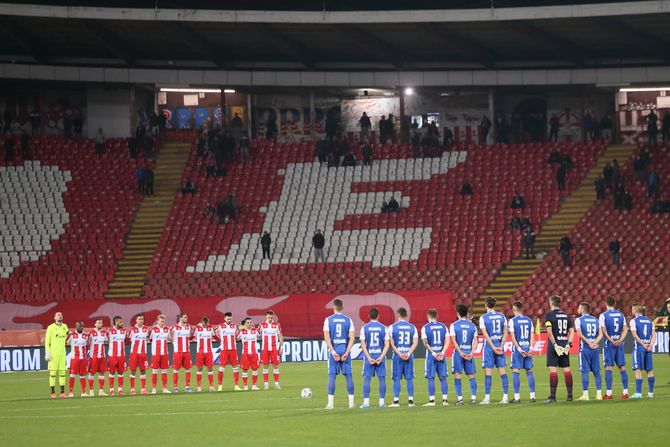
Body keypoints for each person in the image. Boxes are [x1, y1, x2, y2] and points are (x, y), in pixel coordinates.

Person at [323, 299, 356, 410]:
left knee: (332, 376)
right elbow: (352, 338)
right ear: (342, 308)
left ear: (334, 307)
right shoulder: (348, 320)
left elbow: (327, 337)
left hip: (334, 351)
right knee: (349, 376)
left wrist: (333, 351)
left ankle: (330, 404)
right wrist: (347, 352)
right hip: (344, 349)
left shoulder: (328, 320)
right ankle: (351, 403)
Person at [544, 295, 575, 402]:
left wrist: (554, 345)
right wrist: (568, 344)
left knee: (553, 370)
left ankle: (553, 396)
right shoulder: (566, 316)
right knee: (566, 370)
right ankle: (570, 396)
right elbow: (572, 331)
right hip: (564, 345)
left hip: (555, 346)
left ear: (551, 303)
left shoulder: (549, 316)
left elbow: (549, 332)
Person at [479, 297, 509, 405]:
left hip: (489, 348)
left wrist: (493, 347)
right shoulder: (502, 316)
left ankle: (487, 398)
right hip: (499, 346)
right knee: (502, 371)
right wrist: (501, 346)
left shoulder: (483, 318)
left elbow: (485, 334)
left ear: (486, 305)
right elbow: (505, 332)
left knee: (488, 372)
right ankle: (505, 397)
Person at [598, 296, 629, 399]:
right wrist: (620, 340)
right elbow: (625, 329)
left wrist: (611, 340)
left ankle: (609, 393)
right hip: (619, 345)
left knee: (608, 367)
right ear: (614, 304)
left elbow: (603, 330)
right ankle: (625, 392)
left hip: (609, 344)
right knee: (622, 367)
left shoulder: (603, 315)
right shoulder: (621, 315)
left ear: (606, 304)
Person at [359, 307, 390, 408]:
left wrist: (368, 357)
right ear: (378, 315)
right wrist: (381, 357)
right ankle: (381, 402)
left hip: (370, 357)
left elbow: (363, 345)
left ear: (369, 316)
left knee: (367, 379)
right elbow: (387, 344)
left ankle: (366, 403)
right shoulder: (383, 328)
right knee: (382, 379)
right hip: (380, 357)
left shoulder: (365, 328)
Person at [388, 307, 419, 408]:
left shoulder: (392, 327)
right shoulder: (412, 327)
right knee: (409, 379)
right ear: (406, 315)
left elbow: (391, 343)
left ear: (397, 314)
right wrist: (408, 353)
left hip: (397, 356)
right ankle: (411, 401)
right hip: (409, 356)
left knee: (396, 379)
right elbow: (415, 342)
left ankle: (396, 401)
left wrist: (399, 353)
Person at [450, 304, 479, 405]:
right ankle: (473, 398)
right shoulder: (472, 326)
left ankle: (460, 399)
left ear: (457, 313)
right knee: (471, 376)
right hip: (469, 353)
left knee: (458, 376)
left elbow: (454, 341)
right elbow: (476, 341)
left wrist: (461, 352)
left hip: (458, 354)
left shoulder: (454, 325)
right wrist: (471, 352)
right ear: (466, 314)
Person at [508, 301, 536, 403]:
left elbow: (513, 337)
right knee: (529, 372)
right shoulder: (529, 320)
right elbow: (532, 336)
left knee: (516, 372)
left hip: (518, 350)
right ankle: (532, 396)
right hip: (527, 348)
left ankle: (517, 397)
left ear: (514, 309)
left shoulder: (512, 321)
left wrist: (519, 349)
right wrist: (531, 349)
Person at [421, 308, 449, 406]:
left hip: (431, 356)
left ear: (428, 316)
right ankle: (445, 400)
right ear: (437, 316)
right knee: (443, 377)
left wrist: (433, 353)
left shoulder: (425, 327)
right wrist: (442, 352)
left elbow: (425, 343)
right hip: (441, 356)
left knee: (430, 378)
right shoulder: (443, 327)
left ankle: (432, 400)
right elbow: (447, 341)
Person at [575, 302, 603, 401]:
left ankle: (585, 395)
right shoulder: (596, 320)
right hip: (595, 349)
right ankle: (599, 394)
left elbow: (580, 334)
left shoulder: (579, 320)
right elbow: (601, 334)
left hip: (585, 349)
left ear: (582, 309)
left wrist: (589, 343)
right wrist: (594, 342)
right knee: (596, 372)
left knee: (585, 372)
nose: (577, 309)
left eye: (579, 307)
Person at [629, 304, 656, 398]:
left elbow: (635, 335)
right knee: (649, 370)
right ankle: (651, 393)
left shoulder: (633, 321)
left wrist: (643, 345)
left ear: (636, 311)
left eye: (633, 309)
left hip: (639, 348)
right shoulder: (650, 321)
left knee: (638, 370)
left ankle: (638, 393)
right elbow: (654, 335)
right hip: (648, 348)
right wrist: (650, 345)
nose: (631, 311)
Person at [215, 312, 242, 391]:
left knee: (235, 367)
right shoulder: (220, 326)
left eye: (230, 319)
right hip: (224, 350)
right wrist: (220, 339)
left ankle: (236, 386)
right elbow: (214, 333)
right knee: (222, 367)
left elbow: (238, 335)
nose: (229, 320)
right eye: (227, 318)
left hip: (233, 349)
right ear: (224, 318)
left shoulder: (234, 326)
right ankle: (220, 386)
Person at [45, 312, 69, 398]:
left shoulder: (65, 326)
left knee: (62, 373)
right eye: (58, 315)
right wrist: (47, 352)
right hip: (53, 354)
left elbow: (67, 335)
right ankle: (52, 392)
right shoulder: (50, 327)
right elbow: (47, 341)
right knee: (53, 373)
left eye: (61, 315)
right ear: (54, 317)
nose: (60, 316)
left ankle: (62, 392)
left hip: (62, 354)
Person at [259, 310, 283, 390]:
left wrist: (281, 347)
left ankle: (276, 384)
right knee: (265, 365)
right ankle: (266, 384)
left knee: (275, 365)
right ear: (266, 317)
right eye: (268, 317)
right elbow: (257, 333)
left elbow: (280, 336)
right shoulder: (262, 325)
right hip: (265, 349)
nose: (270, 319)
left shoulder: (277, 325)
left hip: (274, 348)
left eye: (271, 317)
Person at [128, 313, 150, 395]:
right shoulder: (132, 330)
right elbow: (128, 339)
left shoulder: (146, 329)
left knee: (143, 370)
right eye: (139, 319)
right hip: (134, 353)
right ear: (136, 320)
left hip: (143, 353)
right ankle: (132, 389)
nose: (141, 321)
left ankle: (143, 389)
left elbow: (147, 338)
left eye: (142, 319)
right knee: (133, 370)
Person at [171, 313, 193, 393]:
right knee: (176, 369)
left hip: (187, 351)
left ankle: (187, 387)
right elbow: (168, 336)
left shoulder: (189, 327)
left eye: (186, 317)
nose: (186, 318)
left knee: (188, 369)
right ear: (180, 318)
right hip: (178, 352)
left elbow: (191, 336)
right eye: (185, 317)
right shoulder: (174, 328)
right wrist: (173, 342)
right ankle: (175, 387)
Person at [149, 314, 171, 394]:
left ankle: (164, 388)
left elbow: (169, 339)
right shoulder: (153, 330)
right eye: (161, 321)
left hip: (164, 353)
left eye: (163, 321)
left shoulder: (167, 329)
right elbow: (150, 339)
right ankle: (154, 388)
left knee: (164, 371)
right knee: (155, 371)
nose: (162, 322)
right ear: (157, 321)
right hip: (156, 353)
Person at [67, 321, 89, 398]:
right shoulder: (72, 335)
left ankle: (83, 392)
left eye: (82, 326)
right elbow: (67, 342)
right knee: (72, 375)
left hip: (83, 358)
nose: (81, 327)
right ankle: (70, 392)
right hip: (74, 358)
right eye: (79, 326)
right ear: (76, 327)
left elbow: (87, 346)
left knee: (82, 375)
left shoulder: (85, 335)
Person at [238, 317, 261, 390]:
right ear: (245, 324)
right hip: (245, 354)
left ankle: (254, 385)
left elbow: (260, 334)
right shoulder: (241, 332)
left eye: (250, 322)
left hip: (254, 353)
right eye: (247, 323)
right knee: (245, 370)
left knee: (255, 369)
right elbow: (236, 337)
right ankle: (245, 386)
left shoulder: (255, 331)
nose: (249, 324)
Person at [107, 316, 127, 396]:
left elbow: (126, 341)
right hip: (112, 355)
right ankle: (111, 390)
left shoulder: (124, 331)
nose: (121, 323)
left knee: (121, 372)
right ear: (115, 322)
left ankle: (120, 390)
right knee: (111, 372)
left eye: (122, 322)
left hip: (121, 355)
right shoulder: (110, 331)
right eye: (120, 322)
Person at [194, 316, 216, 392]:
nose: (205, 325)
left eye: (206, 324)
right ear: (201, 322)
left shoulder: (211, 328)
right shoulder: (197, 328)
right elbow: (191, 336)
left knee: (210, 368)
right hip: (200, 352)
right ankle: (199, 386)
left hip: (209, 352)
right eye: (204, 323)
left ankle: (211, 386)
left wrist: (221, 340)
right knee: (199, 368)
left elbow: (215, 336)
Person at [87, 318, 107, 396]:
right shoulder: (91, 333)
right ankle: (91, 391)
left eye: (101, 323)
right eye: (98, 323)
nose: (100, 324)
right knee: (92, 373)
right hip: (94, 356)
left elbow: (105, 341)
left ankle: (101, 391)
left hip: (102, 356)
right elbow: (87, 344)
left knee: (102, 373)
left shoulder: (104, 333)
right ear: (95, 324)